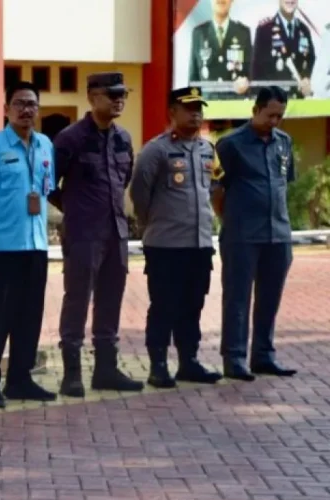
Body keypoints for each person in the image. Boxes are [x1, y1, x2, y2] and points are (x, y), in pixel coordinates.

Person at [48, 72, 144, 398]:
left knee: (110, 301)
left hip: (116, 232)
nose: (119, 100)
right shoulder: (69, 139)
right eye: (112, 94)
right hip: (83, 233)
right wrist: (75, 208)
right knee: (76, 299)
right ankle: (72, 374)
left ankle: (106, 369)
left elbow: (124, 179)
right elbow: (49, 185)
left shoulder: (123, 139)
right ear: (91, 98)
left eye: (123, 95)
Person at [0, 81, 56, 409]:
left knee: (29, 316)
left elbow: (45, 191)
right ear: (5, 109)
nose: (26, 110)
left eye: (31, 104)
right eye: (18, 103)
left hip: (36, 247)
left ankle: (20, 379)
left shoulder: (46, 145)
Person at [130, 87, 224, 388]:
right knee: (164, 306)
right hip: (166, 246)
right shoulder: (156, 150)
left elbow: (213, 189)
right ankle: (158, 365)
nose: (196, 113)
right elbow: (139, 194)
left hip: (199, 245)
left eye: (199, 108)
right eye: (189, 108)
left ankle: (189, 361)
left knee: (193, 305)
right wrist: (152, 225)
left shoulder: (208, 149)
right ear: (172, 112)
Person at [213, 86, 298, 381]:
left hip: (278, 234)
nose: (275, 121)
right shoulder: (230, 145)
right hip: (242, 236)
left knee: (270, 297)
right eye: (270, 115)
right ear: (255, 110)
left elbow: (284, 184)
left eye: (280, 116)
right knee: (237, 298)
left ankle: (263, 355)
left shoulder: (284, 143)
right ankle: (234, 358)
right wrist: (233, 221)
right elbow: (217, 191)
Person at [251, 0, 315, 99]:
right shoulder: (264, 29)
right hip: (273, 102)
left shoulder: (304, 30)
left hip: (298, 102)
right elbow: (255, 71)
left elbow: (310, 60)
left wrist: (306, 78)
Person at [188, 0, 251, 98]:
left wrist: (246, 84)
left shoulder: (243, 33)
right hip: (207, 108)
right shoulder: (199, 33)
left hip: (236, 108)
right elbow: (193, 79)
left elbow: (251, 73)